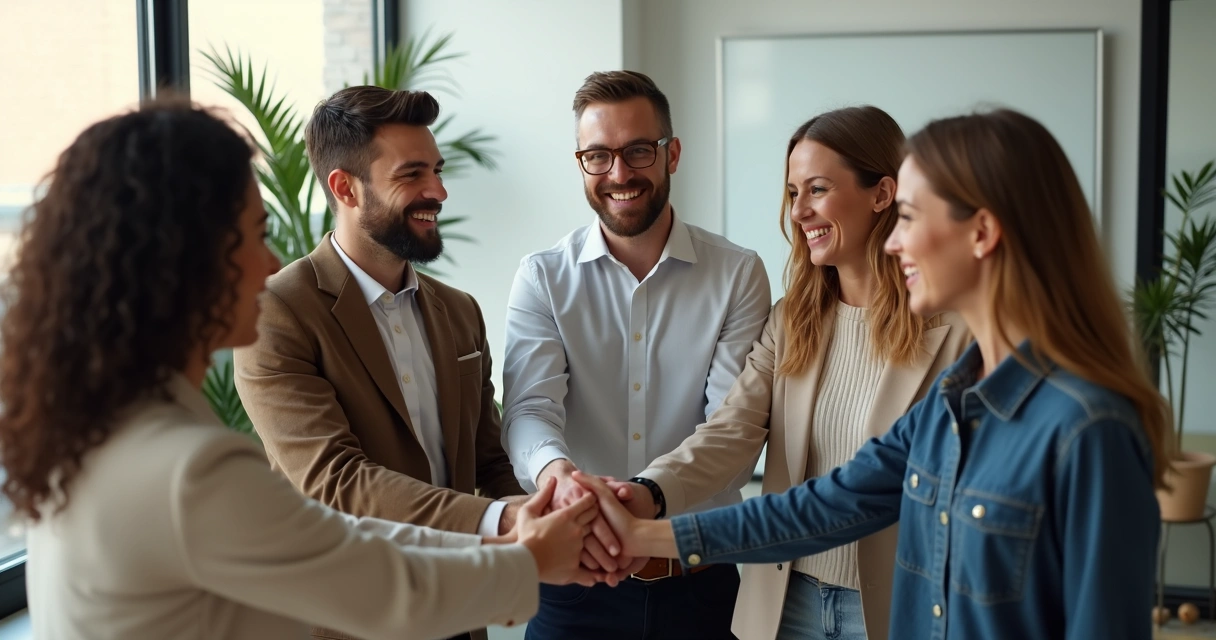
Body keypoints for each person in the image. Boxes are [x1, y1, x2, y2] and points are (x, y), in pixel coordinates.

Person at [0, 101, 600, 640]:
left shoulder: (99, 432)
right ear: (185, 262)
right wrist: (524, 553)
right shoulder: (191, 469)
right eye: (254, 236)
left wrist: (526, 518)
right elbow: (362, 558)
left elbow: (350, 543)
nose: (269, 263)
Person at [576, 108, 1169, 640]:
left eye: (910, 217)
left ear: (982, 233)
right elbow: (825, 506)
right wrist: (643, 531)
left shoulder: (1090, 427)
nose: (895, 243)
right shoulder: (953, 403)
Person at [612, 106, 970, 640]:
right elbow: (731, 431)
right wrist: (648, 492)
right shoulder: (791, 318)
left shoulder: (956, 330)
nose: (799, 211)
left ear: (881, 193)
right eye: (792, 192)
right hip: (785, 605)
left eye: (818, 189)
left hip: (898, 609)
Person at [232, 87, 529, 638]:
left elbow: (489, 459)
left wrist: (551, 507)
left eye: (436, 171)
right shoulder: (276, 312)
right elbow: (333, 480)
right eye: (411, 174)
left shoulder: (460, 312)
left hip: (459, 617)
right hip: (346, 622)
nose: (438, 190)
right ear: (345, 188)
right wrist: (503, 521)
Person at [501, 70, 772, 640]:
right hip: (572, 588)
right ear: (580, 164)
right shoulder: (542, 277)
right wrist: (563, 477)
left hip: (699, 582)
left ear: (671, 154)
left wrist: (638, 499)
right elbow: (528, 410)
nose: (619, 174)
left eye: (638, 151)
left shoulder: (737, 273)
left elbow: (733, 432)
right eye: (597, 156)